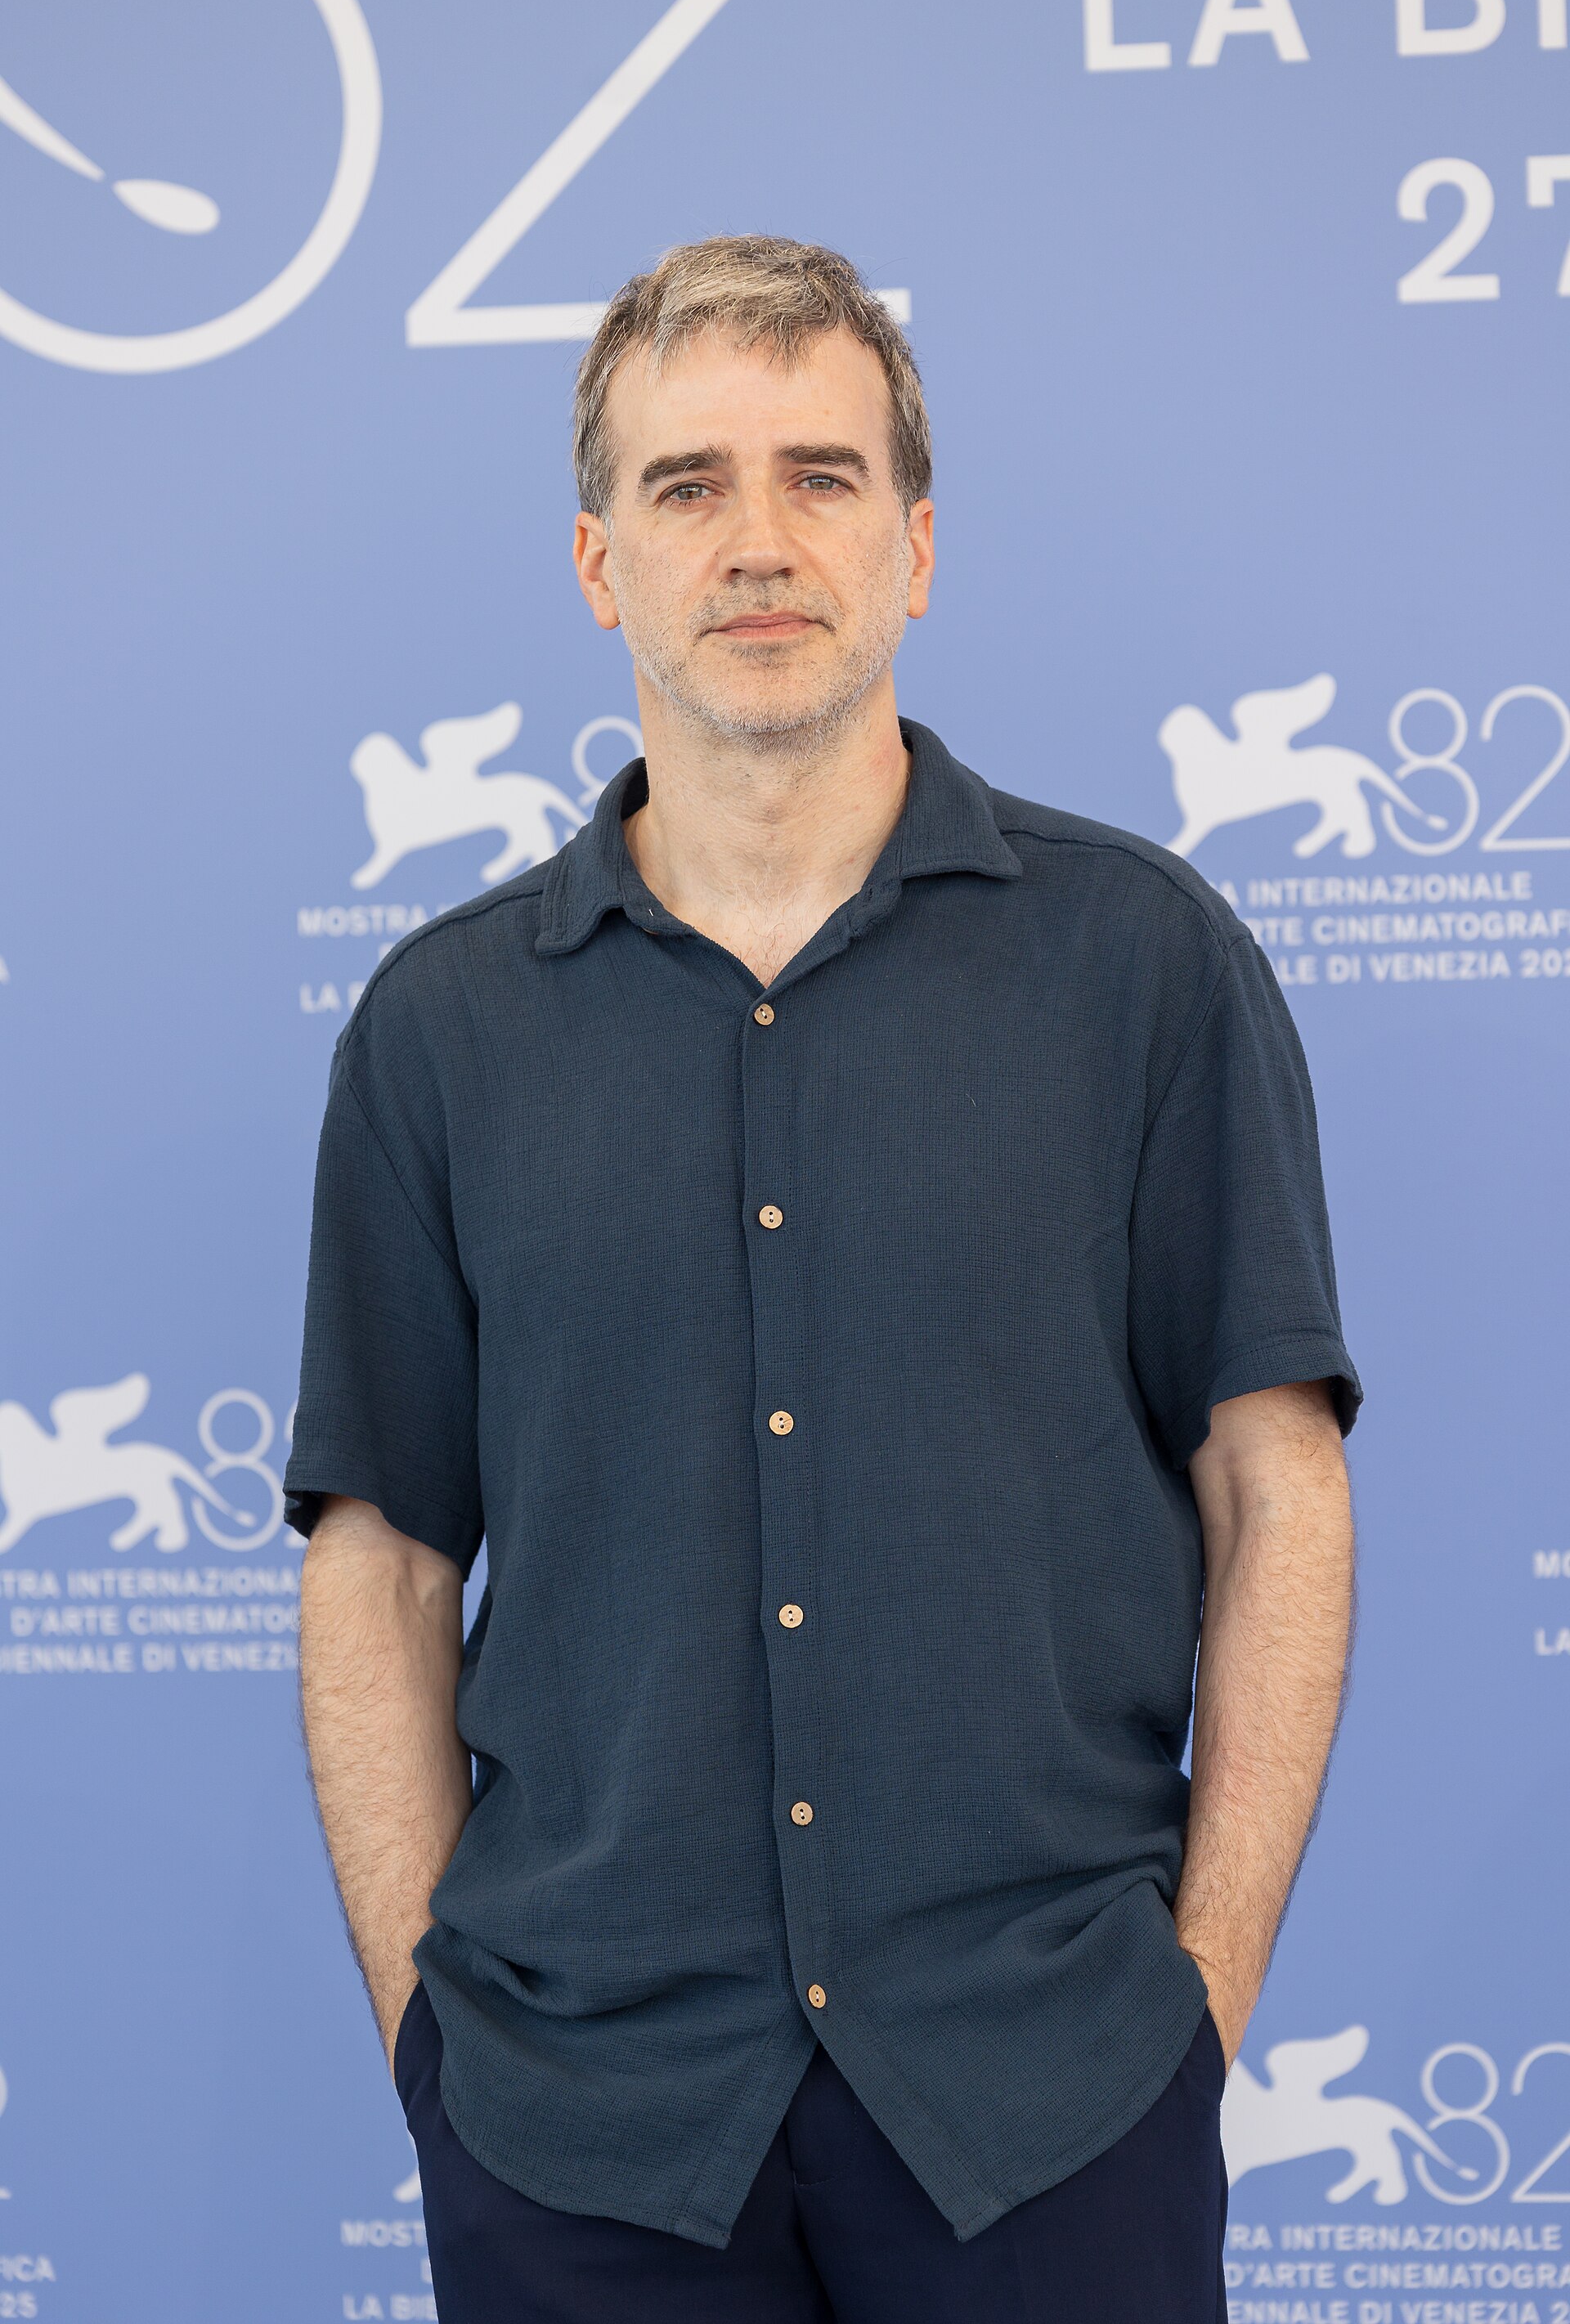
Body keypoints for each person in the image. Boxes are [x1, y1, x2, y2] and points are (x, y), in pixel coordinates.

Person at [285, 235, 1360, 2322]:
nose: (758, 541)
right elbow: (381, 1564)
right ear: (599, 563)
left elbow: (1277, 1490)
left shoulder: (1145, 969)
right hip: (577, 2126)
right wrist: (438, 2053)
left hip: (1050, 2105)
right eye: (687, 484)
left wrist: (1196, 2005)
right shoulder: (440, 1033)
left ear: (916, 547)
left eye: (822, 476)